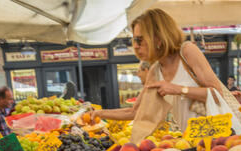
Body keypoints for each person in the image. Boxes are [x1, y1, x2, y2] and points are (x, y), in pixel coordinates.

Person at [91, 8, 224, 131]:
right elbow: (135, 112)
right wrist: (99, 113)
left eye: (139, 40)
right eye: (134, 40)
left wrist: (178, 89)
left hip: (218, 133)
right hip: (191, 139)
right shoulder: (155, 71)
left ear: (158, 38)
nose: (136, 46)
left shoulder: (187, 52)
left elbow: (218, 95)